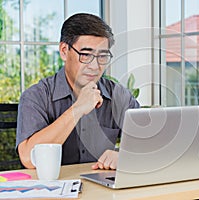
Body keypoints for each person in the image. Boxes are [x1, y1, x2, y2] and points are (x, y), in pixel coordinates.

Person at [16, 13, 140, 170]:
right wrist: (77, 109)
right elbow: (28, 157)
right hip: (53, 190)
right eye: (86, 55)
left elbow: (150, 144)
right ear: (64, 51)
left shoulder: (119, 96)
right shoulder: (36, 97)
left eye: (102, 56)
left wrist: (124, 156)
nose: (95, 66)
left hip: (104, 190)